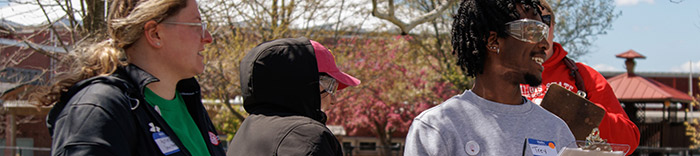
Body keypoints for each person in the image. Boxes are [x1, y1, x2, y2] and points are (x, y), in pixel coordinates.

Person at [34, 0, 225, 155]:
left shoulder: (189, 102)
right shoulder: (99, 109)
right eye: (196, 25)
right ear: (155, 33)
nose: (207, 37)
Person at [404, 0, 577, 155]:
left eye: (543, 33)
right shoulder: (437, 127)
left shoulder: (557, 130)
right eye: (532, 31)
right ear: (493, 41)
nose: (544, 44)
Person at [520, 0, 641, 153]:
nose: (539, 27)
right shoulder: (498, 76)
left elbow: (629, 141)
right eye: (528, 23)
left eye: (545, 21)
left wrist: (585, 112)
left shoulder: (584, 76)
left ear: (554, 26)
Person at [226, 37, 361, 156]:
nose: (333, 100)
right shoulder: (306, 137)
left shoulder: (248, 131)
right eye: (329, 86)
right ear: (302, 84)